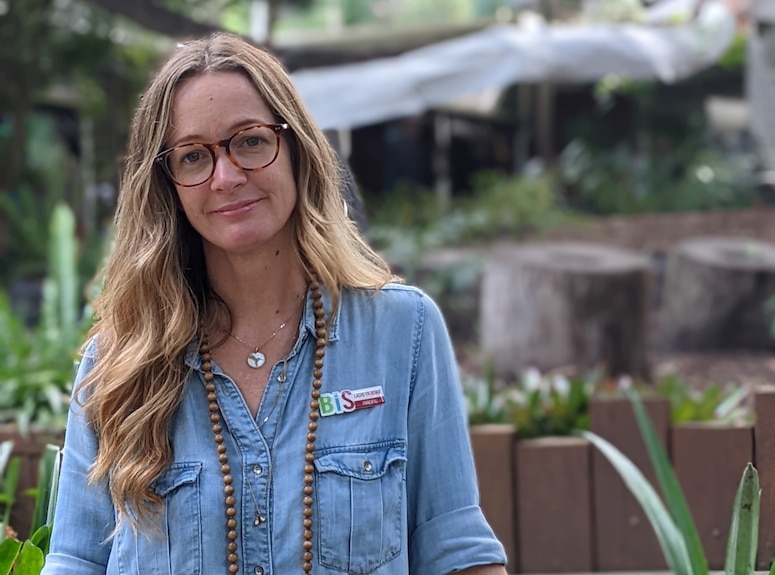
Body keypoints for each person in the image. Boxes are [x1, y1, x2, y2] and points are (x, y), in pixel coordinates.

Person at [43, 32, 508, 575]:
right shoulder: (116, 366)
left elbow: (457, 550)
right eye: (193, 156)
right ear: (168, 186)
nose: (226, 176)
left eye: (250, 141)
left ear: (295, 149)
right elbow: (75, 561)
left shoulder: (403, 332)